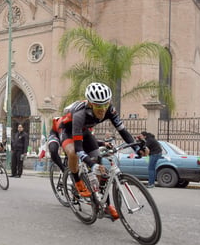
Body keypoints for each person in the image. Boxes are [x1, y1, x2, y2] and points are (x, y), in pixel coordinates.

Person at [56, 82, 144, 220]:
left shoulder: (110, 110)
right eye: (98, 105)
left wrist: (137, 148)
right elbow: (79, 149)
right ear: (91, 104)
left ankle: (103, 203)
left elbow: (123, 131)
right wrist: (91, 165)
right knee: (73, 152)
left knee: (99, 164)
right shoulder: (80, 114)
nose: (102, 109)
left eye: (105, 104)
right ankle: (77, 179)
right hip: (67, 130)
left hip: (85, 132)